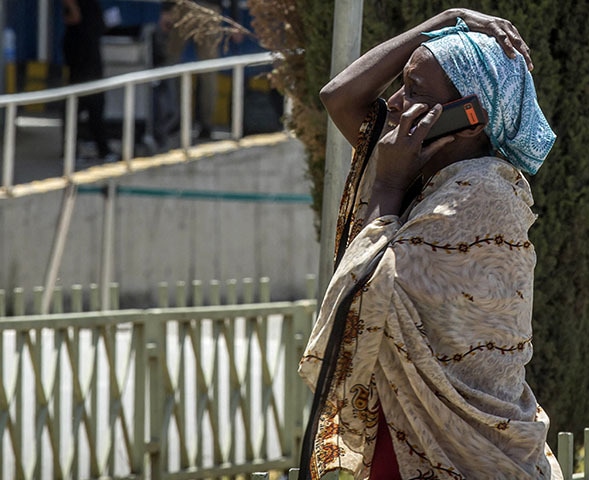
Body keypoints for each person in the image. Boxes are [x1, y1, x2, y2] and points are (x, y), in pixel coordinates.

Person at [298, 8, 560, 480]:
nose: (394, 102)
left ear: (470, 118)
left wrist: (387, 188)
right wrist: (445, 21)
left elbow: (361, 296)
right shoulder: (425, 167)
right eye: (402, 84)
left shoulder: (482, 194)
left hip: (458, 452)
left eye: (416, 91)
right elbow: (338, 97)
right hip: (404, 434)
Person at [156, 0, 240, 141]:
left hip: (182, 7)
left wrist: (167, 10)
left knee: (172, 66)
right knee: (208, 71)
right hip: (209, 10)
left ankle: (176, 117)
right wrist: (235, 20)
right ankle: (206, 124)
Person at [62, 0, 117, 163]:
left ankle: (100, 148)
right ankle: (74, 150)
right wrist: (74, 10)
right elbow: (72, 17)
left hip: (90, 46)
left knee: (95, 103)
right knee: (81, 102)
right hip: (81, 49)